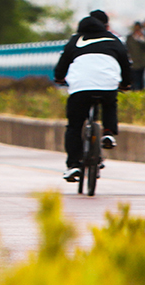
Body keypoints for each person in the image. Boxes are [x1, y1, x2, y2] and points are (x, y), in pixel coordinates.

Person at [54, 9, 131, 182]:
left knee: (74, 126)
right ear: (105, 26)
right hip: (107, 86)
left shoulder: (75, 40)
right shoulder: (114, 40)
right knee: (110, 103)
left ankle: (73, 166)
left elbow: (63, 64)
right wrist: (126, 83)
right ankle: (109, 132)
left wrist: (59, 78)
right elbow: (125, 64)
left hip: (80, 88)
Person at [125, 21, 145, 91]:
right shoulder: (129, 37)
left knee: (141, 79)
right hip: (133, 61)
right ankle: (135, 91)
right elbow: (127, 48)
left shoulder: (142, 37)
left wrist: (141, 38)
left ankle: (140, 91)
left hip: (142, 62)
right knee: (135, 79)